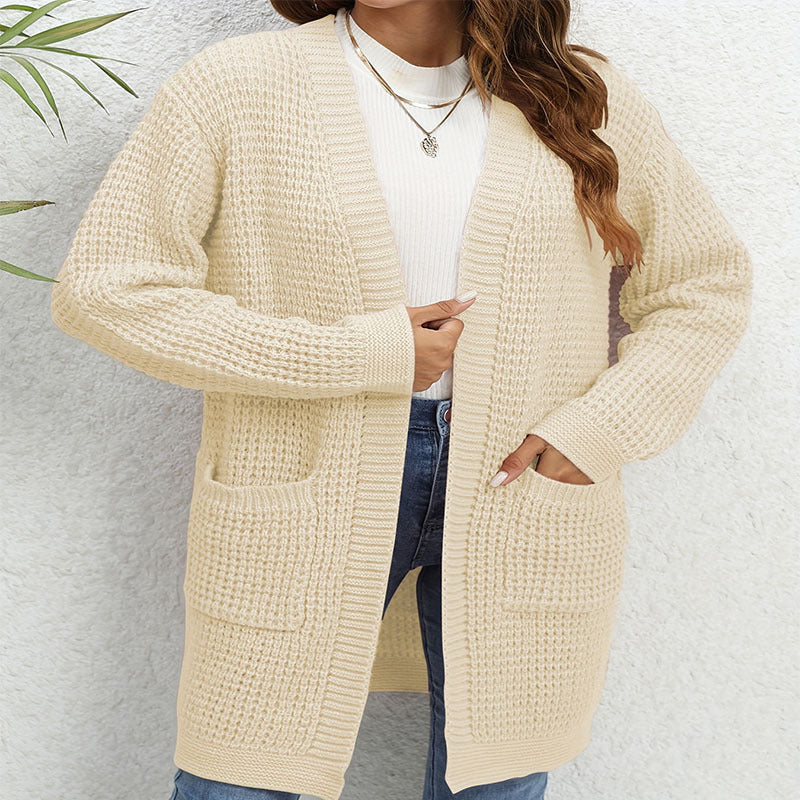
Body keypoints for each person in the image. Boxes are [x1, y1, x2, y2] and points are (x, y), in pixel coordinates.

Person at [49, 1, 753, 799]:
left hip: (521, 482)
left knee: (496, 771)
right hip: (305, 478)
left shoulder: (575, 92)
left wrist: (600, 429)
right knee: (246, 769)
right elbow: (105, 292)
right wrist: (364, 353)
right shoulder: (237, 84)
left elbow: (704, 283)